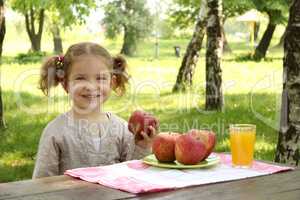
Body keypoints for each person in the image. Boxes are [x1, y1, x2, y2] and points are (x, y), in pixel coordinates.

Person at [32, 42, 156, 178]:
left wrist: (142, 146)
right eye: (80, 78)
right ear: (66, 84)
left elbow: (132, 173)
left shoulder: (122, 129)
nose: (91, 86)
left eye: (100, 78)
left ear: (111, 83)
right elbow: (42, 182)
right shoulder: (56, 132)